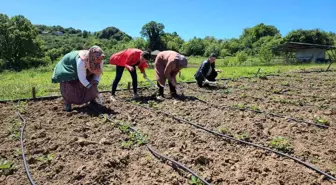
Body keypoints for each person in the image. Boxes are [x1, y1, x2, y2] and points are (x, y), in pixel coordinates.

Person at [52, 46, 105, 112]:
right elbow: (82, 79)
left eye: (101, 59)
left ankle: (92, 100)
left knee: (91, 81)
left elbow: (97, 74)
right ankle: (68, 103)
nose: (99, 61)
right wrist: (91, 88)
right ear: (93, 58)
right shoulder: (82, 61)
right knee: (70, 84)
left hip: (83, 69)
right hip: (69, 66)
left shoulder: (100, 61)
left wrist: (95, 85)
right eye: (98, 59)